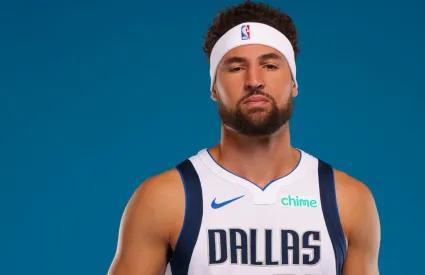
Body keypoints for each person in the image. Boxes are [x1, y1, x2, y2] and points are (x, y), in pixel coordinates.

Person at [108, 1, 381, 274]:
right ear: (214, 89)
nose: (254, 80)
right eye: (236, 68)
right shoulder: (165, 199)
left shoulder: (347, 201)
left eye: (270, 66)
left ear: (294, 83)